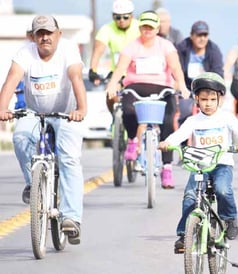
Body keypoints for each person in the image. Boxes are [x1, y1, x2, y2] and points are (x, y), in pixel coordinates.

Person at [0, 15, 87, 244]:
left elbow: (76, 77)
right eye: (40, 33)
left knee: (68, 158)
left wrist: (81, 108)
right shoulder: (25, 52)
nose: (45, 37)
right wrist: (2, 108)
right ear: (33, 36)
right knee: (20, 138)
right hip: (34, 111)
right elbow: (11, 80)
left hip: (66, 113)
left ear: (58, 34)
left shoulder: (68, 49)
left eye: (49, 33)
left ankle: (72, 218)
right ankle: (34, 183)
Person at [157, 72, 238, 252]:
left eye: (212, 99)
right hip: (200, 167)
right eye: (204, 99)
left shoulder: (226, 117)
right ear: (197, 99)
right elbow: (179, 135)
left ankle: (229, 218)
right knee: (190, 196)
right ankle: (184, 235)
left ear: (219, 100)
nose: (208, 103)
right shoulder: (193, 121)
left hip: (222, 164)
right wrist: (168, 143)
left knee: (223, 189)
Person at [105, 10, 190, 189]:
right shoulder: (132, 46)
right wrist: (112, 84)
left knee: (168, 121)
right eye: (144, 26)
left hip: (162, 87)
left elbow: (175, 68)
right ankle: (132, 141)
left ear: (157, 28)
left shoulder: (166, 46)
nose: (147, 30)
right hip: (136, 86)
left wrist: (181, 85)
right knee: (127, 109)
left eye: (151, 26)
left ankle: (167, 168)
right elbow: (121, 68)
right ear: (140, 27)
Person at [89, 0, 139, 111]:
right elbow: (98, 50)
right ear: (113, 16)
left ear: (132, 16)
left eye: (125, 17)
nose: (121, 20)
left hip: (137, 73)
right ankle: (115, 119)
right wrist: (93, 70)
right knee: (111, 94)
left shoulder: (139, 27)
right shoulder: (107, 29)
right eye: (117, 17)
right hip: (117, 74)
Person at [176, 20, 224, 126]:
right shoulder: (182, 48)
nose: (202, 38)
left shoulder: (214, 50)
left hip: (208, 89)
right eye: (199, 35)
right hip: (186, 88)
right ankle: (184, 142)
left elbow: (218, 73)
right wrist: (181, 87)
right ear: (192, 36)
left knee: (212, 112)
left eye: (205, 35)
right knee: (185, 110)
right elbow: (176, 70)